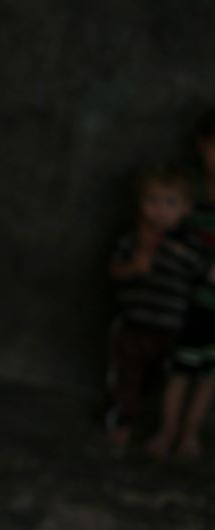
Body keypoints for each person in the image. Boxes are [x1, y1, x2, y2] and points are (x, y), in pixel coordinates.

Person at [107, 165, 204, 447]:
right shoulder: (133, 241)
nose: (160, 210)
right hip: (134, 326)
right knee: (126, 378)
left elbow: (204, 274)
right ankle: (121, 423)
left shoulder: (188, 249)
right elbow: (114, 270)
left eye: (170, 202)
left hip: (171, 329)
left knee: (160, 381)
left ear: (186, 208)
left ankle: (161, 429)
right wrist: (136, 265)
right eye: (152, 201)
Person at [146, 112, 215, 458]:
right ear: (203, 147)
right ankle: (168, 430)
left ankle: (190, 434)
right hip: (187, 305)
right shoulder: (189, 197)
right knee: (179, 371)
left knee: (207, 377)